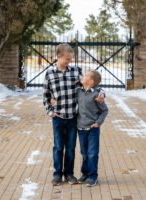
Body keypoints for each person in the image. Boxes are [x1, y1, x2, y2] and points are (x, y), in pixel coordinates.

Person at [43, 43, 104, 186]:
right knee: (58, 147)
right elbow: (46, 95)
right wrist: (50, 111)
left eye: (71, 59)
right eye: (67, 59)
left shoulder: (76, 71)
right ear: (58, 56)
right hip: (58, 117)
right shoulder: (50, 74)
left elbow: (91, 84)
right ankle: (57, 174)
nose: (69, 61)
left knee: (70, 148)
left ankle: (69, 174)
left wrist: (102, 93)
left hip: (73, 118)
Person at [77, 70, 108, 187]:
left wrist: (98, 123)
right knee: (84, 153)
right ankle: (85, 174)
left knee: (93, 153)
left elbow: (105, 110)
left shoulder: (96, 96)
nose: (82, 76)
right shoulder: (78, 91)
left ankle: (93, 176)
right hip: (81, 129)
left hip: (93, 129)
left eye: (85, 76)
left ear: (90, 82)